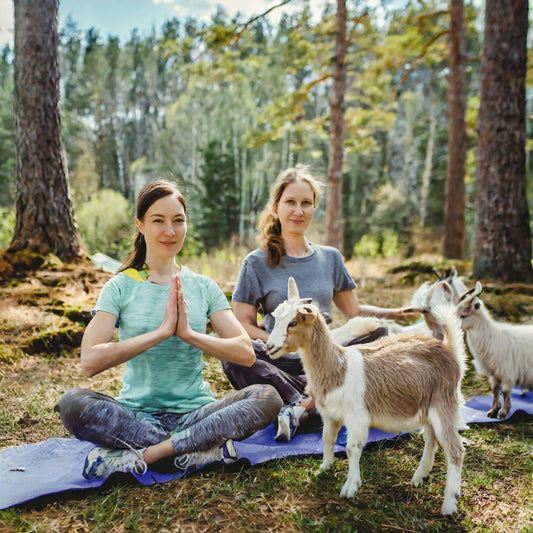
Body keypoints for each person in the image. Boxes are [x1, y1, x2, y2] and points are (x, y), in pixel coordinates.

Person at [58, 180, 283, 480]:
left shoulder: (204, 286)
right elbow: (89, 362)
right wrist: (161, 332)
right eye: (158, 221)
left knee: (268, 397)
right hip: (137, 417)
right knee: (72, 404)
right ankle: (196, 451)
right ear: (140, 225)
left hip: (196, 415)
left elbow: (244, 353)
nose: (170, 231)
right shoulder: (121, 286)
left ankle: (150, 455)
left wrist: (190, 334)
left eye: (178, 221)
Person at [222, 164, 419, 442]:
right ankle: (311, 401)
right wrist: (282, 339)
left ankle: (301, 406)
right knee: (233, 356)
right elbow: (242, 324)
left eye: (306, 203)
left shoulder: (330, 257)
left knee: (379, 334)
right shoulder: (255, 262)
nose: (298, 211)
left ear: (315, 208)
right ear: (276, 206)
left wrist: (395, 313)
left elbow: (354, 312)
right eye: (290, 202)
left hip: (328, 357)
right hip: (281, 361)